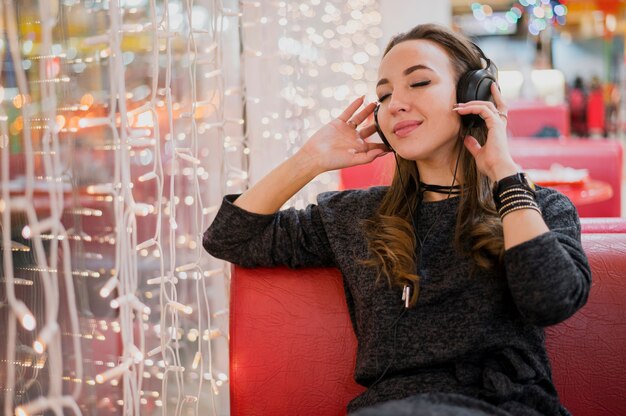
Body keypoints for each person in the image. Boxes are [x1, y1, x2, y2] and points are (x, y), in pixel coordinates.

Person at [203, 24, 591, 416]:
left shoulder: (537, 208)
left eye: (418, 82)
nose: (394, 104)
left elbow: (550, 300)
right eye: (384, 94)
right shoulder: (355, 217)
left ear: (474, 92)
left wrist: (505, 175)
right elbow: (228, 239)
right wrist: (310, 160)